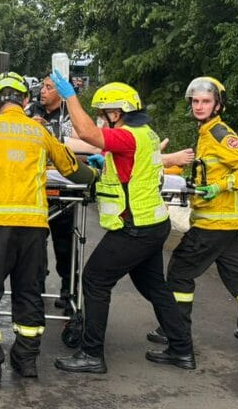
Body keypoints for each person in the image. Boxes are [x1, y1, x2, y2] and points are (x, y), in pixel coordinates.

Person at [48, 72, 196, 374]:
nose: (101, 120)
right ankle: (182, 350)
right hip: (152, 223)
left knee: (94, 279)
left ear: (117, 113)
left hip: (135, 228)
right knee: (154, 286)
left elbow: (89, 135)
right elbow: (130, 167)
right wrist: (107, 163)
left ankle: (91, 354)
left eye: (103, 115)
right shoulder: (145, 134)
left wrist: (70, 97)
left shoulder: (128, 135)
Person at [0, 72, 95, 385]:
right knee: (29, 292)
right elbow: (72, 169)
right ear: (24, 100)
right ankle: (26, 360)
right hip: (33, 227)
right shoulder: (39, 132)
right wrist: (97, 177)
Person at [147, 77, 238, 348]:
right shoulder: (206, 133)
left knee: (180, 270)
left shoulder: (219, 134)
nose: (199, 106)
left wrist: (219, 187)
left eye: (205, 101)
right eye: (195, 101)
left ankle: (174, 330)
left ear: (218, 105)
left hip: (215, 221)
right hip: (223, 222)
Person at [33, 74, 101, 309]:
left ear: (61, 93)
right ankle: (35, 288)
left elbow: (88, 148)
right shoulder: (32, 112)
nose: (43, 91)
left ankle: (68, 287)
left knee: (64, 245)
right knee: (35, 244)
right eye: (43, 86)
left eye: (49, 87)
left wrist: (57, 142)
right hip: (38, 187)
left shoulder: (71, 116)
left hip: (64, 189)